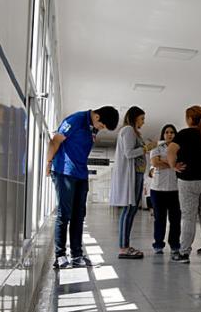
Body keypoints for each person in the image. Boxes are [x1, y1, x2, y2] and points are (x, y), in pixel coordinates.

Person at [46, 105, 119, 269]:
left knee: (79, 216)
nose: (102, 129)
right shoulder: (76, 120)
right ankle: (60, 256)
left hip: (80, 174)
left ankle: (77, 255)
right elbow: (55, 140)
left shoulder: (92, 127)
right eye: (103, 126)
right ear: (97, 117)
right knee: (64, 214)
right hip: (64, 171)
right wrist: (48, 163)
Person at [167, 106, 201, 263]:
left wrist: (173, 166)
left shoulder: (184, 134)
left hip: (189, 180)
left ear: (190, 119)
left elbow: (170, 151)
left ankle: (184, 253)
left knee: (189, 216)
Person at [110, 106, 148, 259]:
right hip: (131, 176)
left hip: (137, 175)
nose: (143, 122)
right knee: (128, 210)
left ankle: (125, 245)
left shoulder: (132, 132)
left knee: (131, 211)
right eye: (142, 119)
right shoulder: (128, 130)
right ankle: (123, 248)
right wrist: (146, 148)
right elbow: (129, 153)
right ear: (134, 117)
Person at [149, 123, 181, 255]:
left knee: (175, 219)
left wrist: (164, 161)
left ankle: (174, 244)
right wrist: (173, 164)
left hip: (175, 189)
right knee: (159, 218)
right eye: (167, 132)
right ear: (163, 134)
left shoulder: (180, 149)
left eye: (172, 132)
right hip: (158, 189)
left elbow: (182, 164)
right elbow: (155, 163)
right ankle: (158, 244)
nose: (169, 134)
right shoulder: (157, 148)